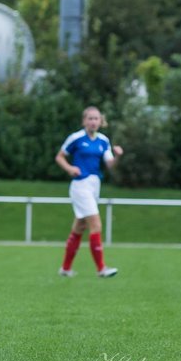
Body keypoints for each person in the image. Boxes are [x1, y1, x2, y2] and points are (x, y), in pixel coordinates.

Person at [56, 105, 123, 278]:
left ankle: (65, 268)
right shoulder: (76, 138)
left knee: (80, 226)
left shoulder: (103, 140)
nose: (93, 121)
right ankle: (101, 268)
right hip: (80, 185)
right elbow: (59, 157)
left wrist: (117, 156)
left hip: (94, 185)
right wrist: (70, 168)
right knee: (96, 223)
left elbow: (109, 164)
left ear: (101, 121)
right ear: (84, 121)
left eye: (96, 118)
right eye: (90, 118)